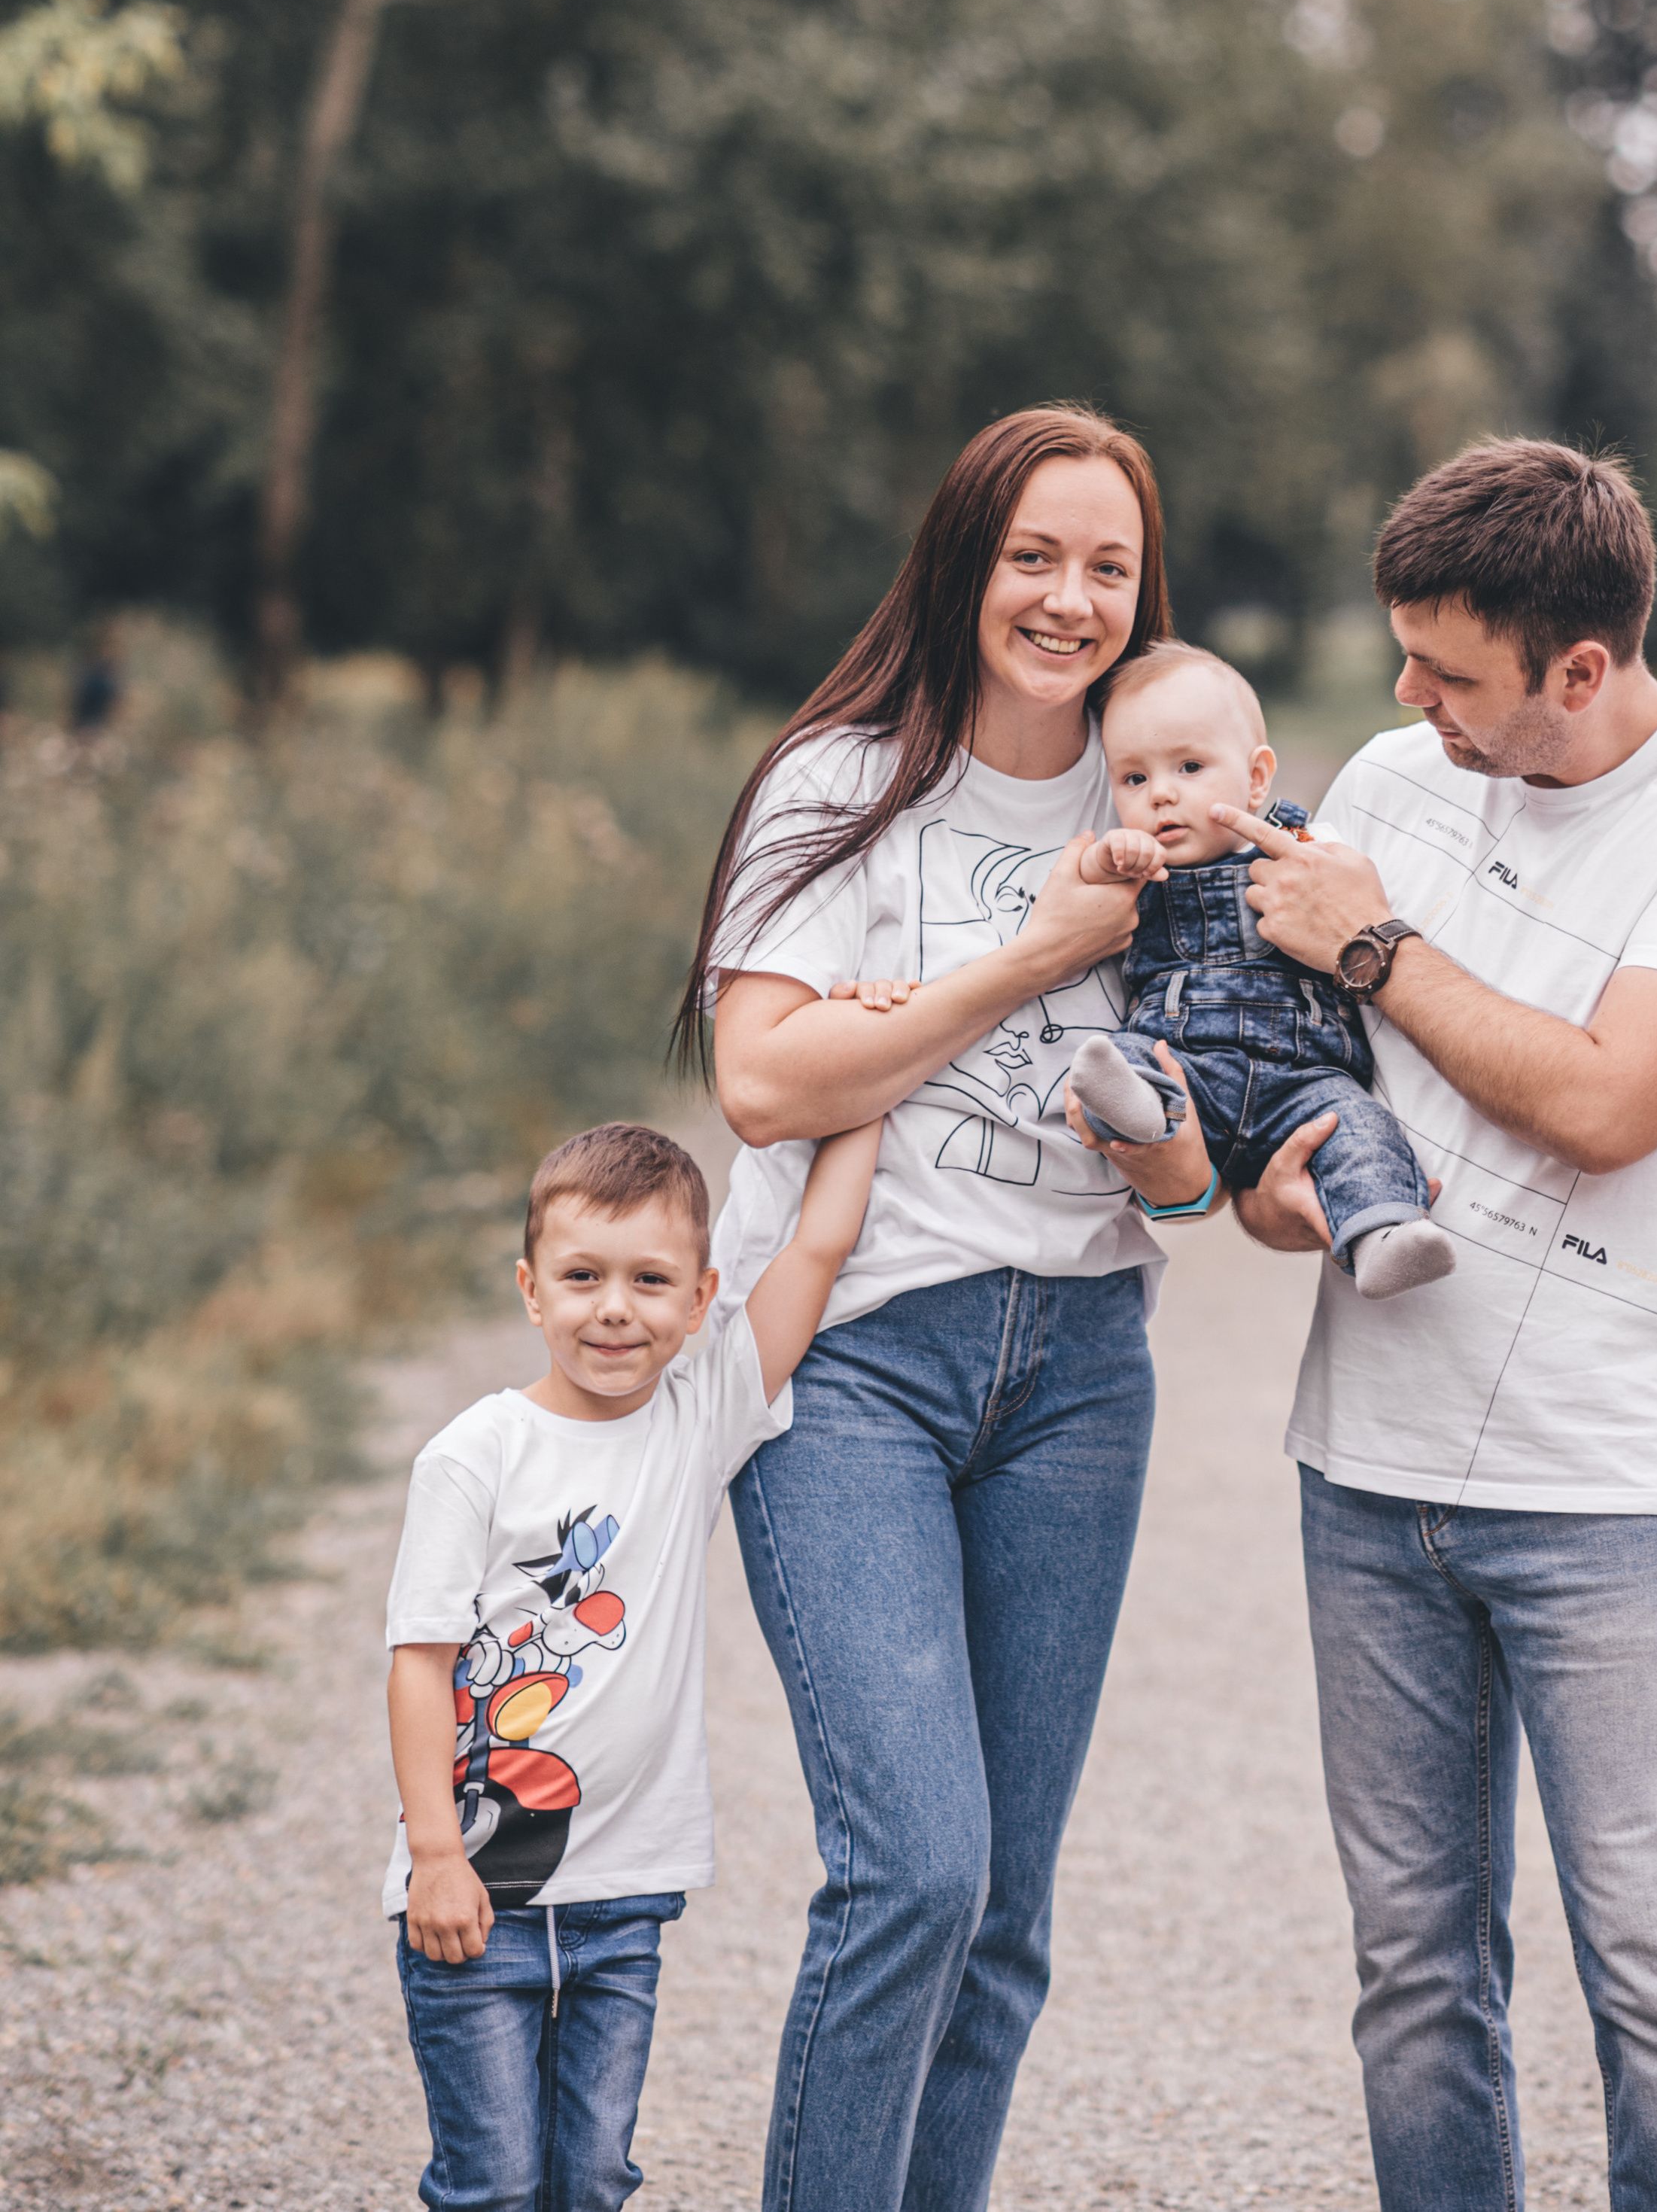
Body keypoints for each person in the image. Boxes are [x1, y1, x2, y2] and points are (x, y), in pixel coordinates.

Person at [1160, 438, 1657, 2212]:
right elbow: (1296, 1092)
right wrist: (1268, 1185)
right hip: (1362, 1472)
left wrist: (1376, 945)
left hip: (1604, 1488)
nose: (1404, 698)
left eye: (1448, 670)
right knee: (1414, 1976)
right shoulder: (1390, 774)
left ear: (1578, 668)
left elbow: (1608, 1103)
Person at [673, 403, 1213, 2212]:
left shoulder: (1160, 798)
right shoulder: (840, 783)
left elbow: (1205, 1130)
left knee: (1002, 1913)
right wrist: (1037, 956)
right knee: (912, 1862)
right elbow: (763, 1077)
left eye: (1107, 567)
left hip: (1080, 1374)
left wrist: (1174, 1143)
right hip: (846, 1365)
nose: (1068, 598)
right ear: (962, 561)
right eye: (1032, 555)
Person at [382, 1115, 879, 2212]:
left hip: (624, 1897)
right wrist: (432, 1853)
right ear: (531, 1289)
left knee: (595, 2177)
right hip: (480, 1891)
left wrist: (867, 1076)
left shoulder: (699, 1417)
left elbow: (816, 1247)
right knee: (495, 2185)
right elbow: (419, 1661)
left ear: (701, 1300)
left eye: (652, 1279)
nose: (615, 1305)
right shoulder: (476, 1453)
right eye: (582, 1274)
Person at [1063, 639, 1455, 1297]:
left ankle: (1385, 1234)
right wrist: (1107, 862)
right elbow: (1077, 899)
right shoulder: (1136, 868)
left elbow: (1356, 899)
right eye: (1134, 779)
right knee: (1127, 1059)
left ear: (1256, 777)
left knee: (1361, 1132)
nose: (1161, 795)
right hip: (1189, 1069)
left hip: (1307, 1080)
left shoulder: (1305, 851)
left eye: (1189, 767)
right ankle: (1136, 1110)